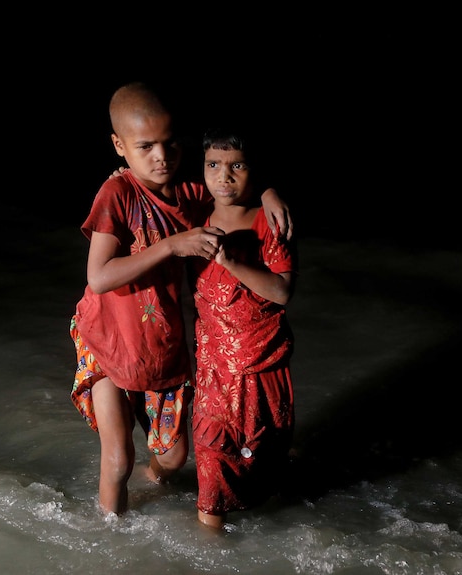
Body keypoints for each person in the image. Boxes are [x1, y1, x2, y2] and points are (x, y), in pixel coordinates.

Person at [69, 82, 293, 517]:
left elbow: (234, 184)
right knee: (118, 461)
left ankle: (152, 489)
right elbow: (97, 277)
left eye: (170, 144)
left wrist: (268, 192)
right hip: (107, 342)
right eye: (145, 146)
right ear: (119, 146)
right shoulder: (118, 194)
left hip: (159, 350)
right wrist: (173, 246)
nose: (161, 156)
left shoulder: (191, 192)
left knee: (172, 458)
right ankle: (108, 545)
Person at [189, 126, 297, 529]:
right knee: (211, 457)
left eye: (237, 166)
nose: (224, 176)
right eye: (213, 165)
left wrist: (231, 262)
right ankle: (208, 547)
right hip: (213, 367)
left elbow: (283, 292)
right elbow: (149, 192)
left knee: (261, 456)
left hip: (262, 362)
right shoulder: (195, 212)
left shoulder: (270, 221)